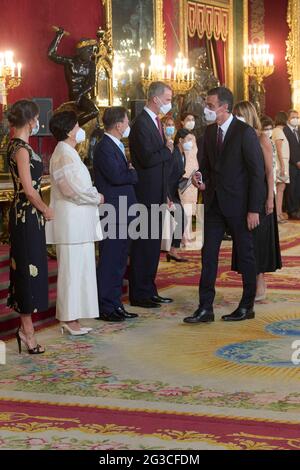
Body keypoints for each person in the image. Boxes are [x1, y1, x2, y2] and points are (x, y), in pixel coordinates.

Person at [183, 87, 265, 324]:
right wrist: (201, 180)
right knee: (208, 255)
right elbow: (206, 167)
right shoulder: (208, 133)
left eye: (210, 105)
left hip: (240, 207)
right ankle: (205, 307)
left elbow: (256, 173)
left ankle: (247, 305)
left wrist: (254, 209)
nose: (206, 109)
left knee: (246, 254)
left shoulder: (245, 133)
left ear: (224, 107)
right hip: (213, 204)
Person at [46, 111, 103, 335]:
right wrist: (95, 197)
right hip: (71, 223)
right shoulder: (62, 153)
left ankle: (75, 318)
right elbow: (69, 189)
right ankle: (68, 319)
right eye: (78, 126)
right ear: (70, 130)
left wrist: (91, 196)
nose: (81, 130)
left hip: (80, 222)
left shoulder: (69, 152)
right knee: (71, 272)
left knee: (81, 271)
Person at [7, 99, 54, 354]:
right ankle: (27, 332)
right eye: (36, 118)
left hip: (29, 215)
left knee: (31, 267)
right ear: (29, 120)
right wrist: (45, 209)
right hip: (26, 214)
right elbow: (28, 189)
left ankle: (27, 329)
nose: (38, 122)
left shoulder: (20, 146)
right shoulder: (20, 149)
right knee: (27, 270)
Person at [129, 81, 173, 309]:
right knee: (143, 245)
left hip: (157, 193)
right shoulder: (140, 124)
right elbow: (147, 159)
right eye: (167, 100)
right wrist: (167, 150)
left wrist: (165, 193)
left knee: (154, 245)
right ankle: (139, 293)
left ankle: (150, 289)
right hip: (144, 195)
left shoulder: (157, 122)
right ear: (155, 99)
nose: (169, 104)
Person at [232, 102, 282, 302]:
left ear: (249, 115)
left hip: (260, 196)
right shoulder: (236, 137)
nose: (236, 119)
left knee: (258, 240)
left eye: (240, 115)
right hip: (241, 196)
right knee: (245, 240)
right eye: (234, 115)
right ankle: (249, 282)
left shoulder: (262, 138)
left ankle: (260, 282)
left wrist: (270, 198)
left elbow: (270, 172)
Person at [93, 107, 139, 322]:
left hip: (124, 209)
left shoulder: (116, 145)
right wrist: (131, 172)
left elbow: (125, 174)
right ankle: (105, 306)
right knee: (110, 259)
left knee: (120, 259)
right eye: (127, 121)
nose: (128, 124)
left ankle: (115, 303)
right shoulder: (104, 147)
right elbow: (117, 175)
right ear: (119, 124)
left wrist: (129, 173)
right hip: (113, 210)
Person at [48, 28, 99, 126]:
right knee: (94, 111)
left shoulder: (92, 65)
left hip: (83, 95)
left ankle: (72, 126)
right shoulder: (70, 61)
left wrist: (80, 95)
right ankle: (71, 127)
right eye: (89, 50)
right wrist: (58, 36)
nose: (91, 53)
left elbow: (91, 83)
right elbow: (51, 54)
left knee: (94, 111)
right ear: (81, 51)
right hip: (73, 95)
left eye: (92, 51)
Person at [166, 128, 191, 262]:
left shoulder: (183, 154)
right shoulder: (173, 154)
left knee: (182, 219)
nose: (190, 143)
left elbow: (178, 177)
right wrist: (167, 198)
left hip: (175, 192)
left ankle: (173, 250)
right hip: (168, 193)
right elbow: (166, 176)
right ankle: (172, 250)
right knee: (181, 219)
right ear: (180, 140)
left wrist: (190, 180)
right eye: (188, 140)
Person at [179, 112, 199, 244]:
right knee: (185, 205)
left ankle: (188, 233)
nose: (191, 121)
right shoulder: (181, 135)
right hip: (185, 174)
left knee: (191, 204)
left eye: (193, 119)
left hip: (194, 174)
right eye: (188, 119)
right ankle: (183, 235)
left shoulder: (193, 136)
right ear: (182, 121)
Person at [273, 111, 290, 223]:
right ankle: (278, 214)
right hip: (281, 163)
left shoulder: (278, 131)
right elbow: (279, 149)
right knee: (280, 189)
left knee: (280, 189)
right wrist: (283, 166)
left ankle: (279, 213)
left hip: (282, 162)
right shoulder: (278, 131)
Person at [283, 110, 300, 219]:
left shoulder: (298, 130)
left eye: (297, 117)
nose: (296, 119)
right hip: (291, 163)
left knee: (298, 187)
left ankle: (297, 208)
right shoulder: (285, 130)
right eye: (293, 117)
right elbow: (287, 149)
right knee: (291, 188)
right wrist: (296, 161)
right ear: (288, 119)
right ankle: (291, 210)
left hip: (299, 163)